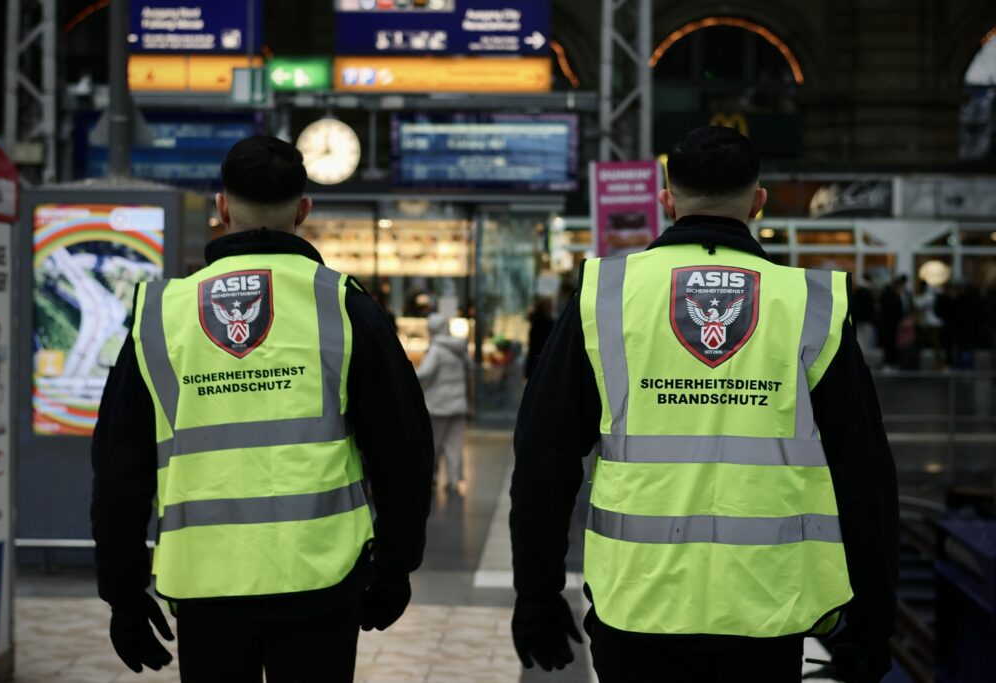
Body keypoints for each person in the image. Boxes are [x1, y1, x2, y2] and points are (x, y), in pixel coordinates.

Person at [509, 127, 899, 683]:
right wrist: (873, 619)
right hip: (766, 610)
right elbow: (865, 476)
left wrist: (537, 592)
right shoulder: (808, 304)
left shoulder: (607, 296)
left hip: (637, 607)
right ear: (758, 201)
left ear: (667, 200)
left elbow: (543, 458)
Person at [91, 136, 434, 682]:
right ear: (303, 211)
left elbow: (118, 467)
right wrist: (395, 568)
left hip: (206, 588)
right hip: (322, 582)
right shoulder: (344, 307)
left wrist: (123, 592)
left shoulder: (162, 315)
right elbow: (404, 451)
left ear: (221, 207)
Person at [416, 313, 470, 494]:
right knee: (454, 445)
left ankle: (432, 477)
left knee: (434, 443)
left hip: (438, 405)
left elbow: (425, 372)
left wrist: (408, 374)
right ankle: (454, 481)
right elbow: (470, 368)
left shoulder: (436, 350)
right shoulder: (459, 348)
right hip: (458, 404)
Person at [525, 296, 555, 381]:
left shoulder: (535, 321)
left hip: (534, 361)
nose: (552, 308)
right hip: (541, 361)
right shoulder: (546, 324)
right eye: (550, 306)